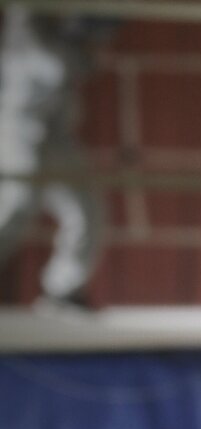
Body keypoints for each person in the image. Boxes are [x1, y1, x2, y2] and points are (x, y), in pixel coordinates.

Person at [0, 4, 115, 311]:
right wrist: (82, 43)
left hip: (58, 136)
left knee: (85, 208)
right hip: (20, 130)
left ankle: (64, 290)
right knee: (16, 207)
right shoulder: (25, 18)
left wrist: (86, 40)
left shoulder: (62, 24)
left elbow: (82, 64)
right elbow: (56, 65)